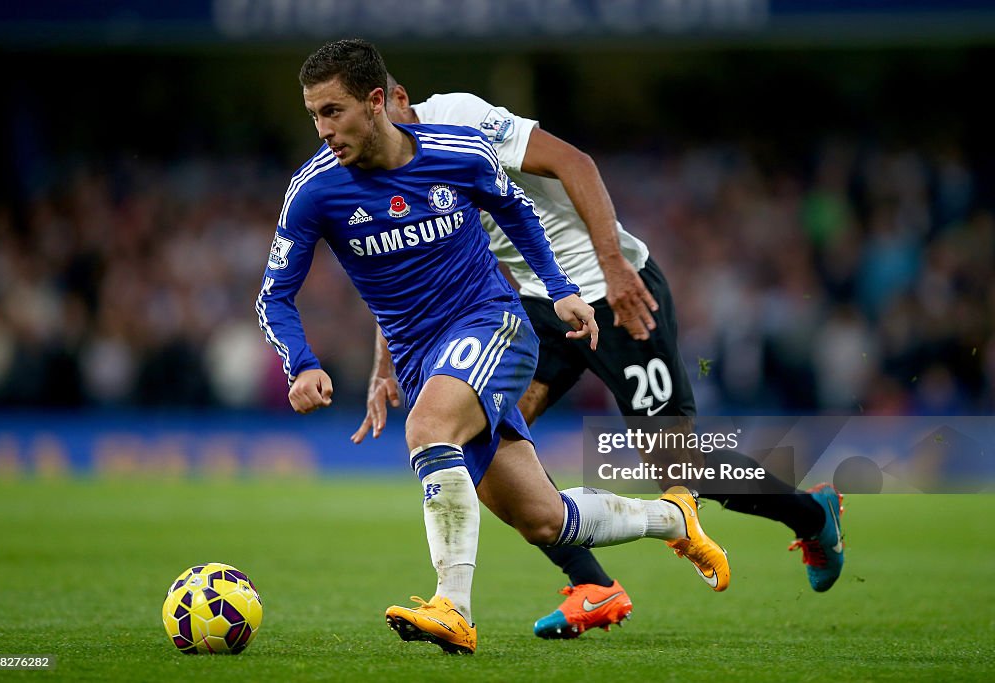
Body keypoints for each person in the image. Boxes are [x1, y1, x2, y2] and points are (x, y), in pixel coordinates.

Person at [256, 38, 731, 656]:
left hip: (494, 324)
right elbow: (275, 296)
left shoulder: (459, 153)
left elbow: (521, 217)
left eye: (333, 112)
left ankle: (453, 607)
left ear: (377, 102)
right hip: (421, 355)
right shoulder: (314, 191)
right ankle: (675, 520)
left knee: (429, 429)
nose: (322, 130)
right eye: (314, 115)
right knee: (543, 517)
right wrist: (304, 363)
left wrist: (560, 291)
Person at [351, 76, 846, 638]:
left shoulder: (460, 116)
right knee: (478, 442)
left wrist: (613, 267)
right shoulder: (383, 171)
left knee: (675, 465)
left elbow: (576, 163)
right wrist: (384, 362)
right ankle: (593, 585)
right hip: (541, 305)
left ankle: (812, 514)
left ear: (395, 99)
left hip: (612, 291)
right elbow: (398, 271)